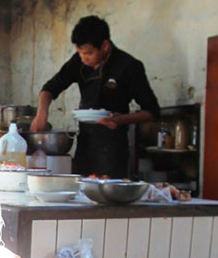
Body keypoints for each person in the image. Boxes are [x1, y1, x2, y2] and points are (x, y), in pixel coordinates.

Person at [30, 15, 160, 178]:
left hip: (113, 148)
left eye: (89, 53)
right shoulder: (79, 61)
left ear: (105, 46)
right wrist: (41, 114)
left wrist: (119, 120)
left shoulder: (129, 66)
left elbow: (152, 112)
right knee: (80, 195)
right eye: (80, 53)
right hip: (85, 143)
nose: (84, 58)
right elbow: (49, 89)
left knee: (108, 197)